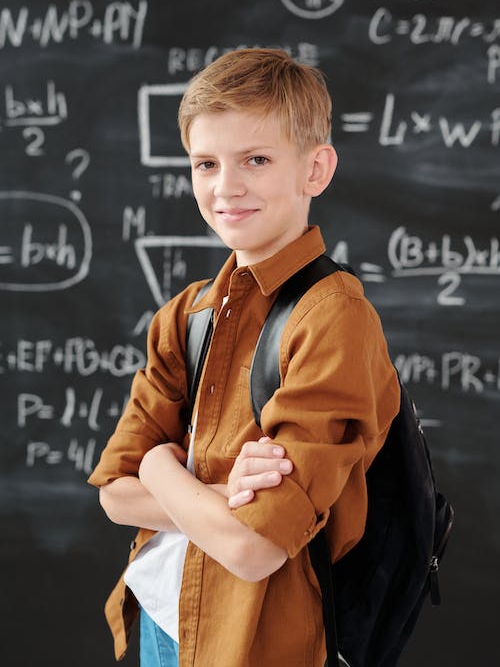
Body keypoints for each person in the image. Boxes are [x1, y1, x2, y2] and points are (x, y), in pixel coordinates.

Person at [88, 48, 400, 667]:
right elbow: (112, 495)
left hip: (254, 639)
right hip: (161, 617)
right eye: (206, 163)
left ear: (316, 169)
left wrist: (156, 464)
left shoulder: (332, 317)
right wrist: (215, 489)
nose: (225, 187)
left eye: (255, 160)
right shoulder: (186, 315)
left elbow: (254, 549)